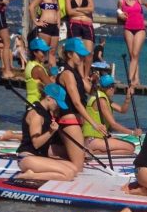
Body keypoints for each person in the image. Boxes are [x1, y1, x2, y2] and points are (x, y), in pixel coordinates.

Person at [16, 82, 77, 181]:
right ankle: (31, 176)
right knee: (68, 175)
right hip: (27, 158)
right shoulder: (36, 115)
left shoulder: (45, 111)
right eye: (57, 102)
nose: (58, 106)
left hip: (40, 157)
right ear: (49, 97)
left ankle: (37, 172)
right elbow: (36, 143)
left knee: (74, 169)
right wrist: (51, 131)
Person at [55, 36, 96, 173]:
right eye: (79, 55)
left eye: (83, 55)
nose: (82, 58)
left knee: (83, 157)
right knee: (78, 168)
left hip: (77, 121)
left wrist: (95, 81)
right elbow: (77, 103)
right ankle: (40, 162)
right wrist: (94, 124)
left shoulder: (76, 73)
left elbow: (91, 91)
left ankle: (47, 150)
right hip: (69, 119)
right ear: (69, 54)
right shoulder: (67, 73)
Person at [83, 74, 140, 155]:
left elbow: (122, 110)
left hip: (99, 137)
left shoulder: (104, 98)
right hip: (92, 139)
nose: (113, 89)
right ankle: (95, 152)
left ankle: (97, 151)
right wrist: (133, 132)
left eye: (113, 86)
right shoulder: (101, 100)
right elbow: (113, 124)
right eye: (111, 87)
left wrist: (128, 97)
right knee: (130, 147)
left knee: (130, 146)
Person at [117, 0, 147, 86]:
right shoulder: (122, 1)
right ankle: (136, 79)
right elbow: (118, 10)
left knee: (135, 54)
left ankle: (130, 79)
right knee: (132, 55)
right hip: (128, 28)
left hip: (139, 29)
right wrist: (120, 15)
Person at [28, 0, 61, 67]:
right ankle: (40, 72)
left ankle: (53, 75)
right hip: (45, 25)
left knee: (53, 52)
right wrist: (36, 21)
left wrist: (58, 23)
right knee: (42, 52)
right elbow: (31, 7)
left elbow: (58, 10)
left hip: (54, 27)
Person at [65, 0, 94, 72]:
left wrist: (77, 9)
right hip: (75, 24)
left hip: (87, 24)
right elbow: (69, 12)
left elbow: (91, 9)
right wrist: (84, 12)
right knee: (77, 51)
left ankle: (86, 75)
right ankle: (81, 75)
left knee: (89, 52)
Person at [24, 37, 52, 103]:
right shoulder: (38, 69)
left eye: (46, 51)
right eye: (43, 52)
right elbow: (52, 88)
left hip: (30, 102)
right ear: (35, 52)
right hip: (36, 104)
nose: (45, 54)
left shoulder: (30, 64)